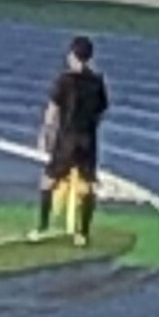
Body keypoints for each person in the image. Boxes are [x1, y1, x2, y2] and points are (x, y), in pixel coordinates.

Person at [34, 31, 108, 242]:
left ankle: (43, 227)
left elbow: (52, 112)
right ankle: (83, 233)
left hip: (67, 139)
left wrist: (46, 134)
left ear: (73, 56)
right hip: (88, 140)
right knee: (88, 185)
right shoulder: (97, 82)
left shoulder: (65, 80)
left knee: (48, 180)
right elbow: (101, 112)